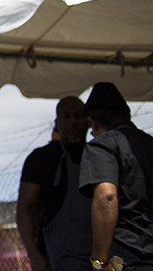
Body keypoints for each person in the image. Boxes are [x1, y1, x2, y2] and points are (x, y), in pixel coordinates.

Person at [78, 82, 153, 271]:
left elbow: (106, 196)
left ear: (93, 122)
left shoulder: (103, 145)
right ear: (126, 115)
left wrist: (99, 262)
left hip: (133, 261)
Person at [17, 97, 92, 271]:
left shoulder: (100, 156)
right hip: (56, 258)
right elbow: (25, 209)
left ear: (88, 121)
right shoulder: (41, 159)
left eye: (78, 116)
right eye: (67, 116)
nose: (73, 122)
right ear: (57, 123)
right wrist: (34, 255)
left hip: (99, 257)